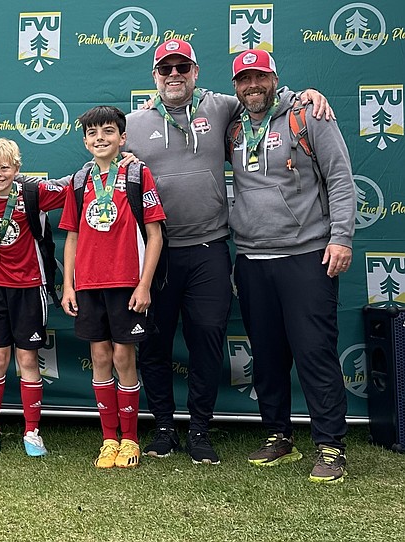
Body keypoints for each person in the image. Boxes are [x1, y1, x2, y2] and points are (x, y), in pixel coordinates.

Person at [126, 38, 333, 464]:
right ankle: (164, 427)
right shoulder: (132, 123)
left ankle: (200, 429)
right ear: (154, 76)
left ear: (196, 72)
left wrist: (308, 95)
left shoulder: (223, 107)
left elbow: (265, 101)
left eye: (182, 67)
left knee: (207, 342)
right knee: (154, 345)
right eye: (165, 69)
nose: (174, 76)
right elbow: (102, 162)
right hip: (155, 252)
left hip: (210, 249)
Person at [226, 49, 355, 484]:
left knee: (314, 351)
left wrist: (341, 237)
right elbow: (186, 106)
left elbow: (339, 177)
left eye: (260, 76)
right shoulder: (231, 125)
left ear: (275, 77)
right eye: (244, 79)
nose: (252, 86)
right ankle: (279, 435)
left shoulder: (308, 114)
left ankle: (331, 445)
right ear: (235, 86)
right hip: (251, 257)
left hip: (306, 254)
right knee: (267, 357)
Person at [60, 106, 166, 469]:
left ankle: (131, 439)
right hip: (89, 285)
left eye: (108, 131)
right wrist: (68, 286)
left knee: (124, 358)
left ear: (123, 138)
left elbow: (155, 235)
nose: (100, 138)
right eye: (92, 133)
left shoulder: (138, 174)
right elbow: (72, 236)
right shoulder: (79, 180)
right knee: (101, 358)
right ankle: (109, 438)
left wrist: (145, 284)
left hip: (127, 284)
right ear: (85, 140)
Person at [0, 138, 69, 456]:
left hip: (30, 288)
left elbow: (76, 184)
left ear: (17, 168)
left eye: (5, 167)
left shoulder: (33, 193)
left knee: (27, 359)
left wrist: (118, 161)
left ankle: (32, 431)